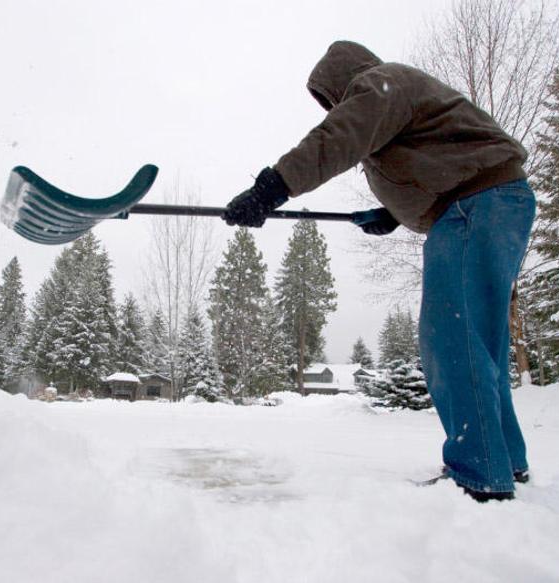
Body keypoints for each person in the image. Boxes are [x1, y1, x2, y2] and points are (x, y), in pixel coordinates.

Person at [222, 41, 535, 502]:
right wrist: (393, 212)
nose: (334, 108)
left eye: (332, 100)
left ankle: (482, 475)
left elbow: (339, 137)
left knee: (451, 339)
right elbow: (430, 159)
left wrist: (272, 187)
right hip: (489, 204)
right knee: (478, 341)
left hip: (474, 206)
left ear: (341, 82)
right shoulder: (400, 92)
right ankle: (503, 460)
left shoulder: (380, 83)